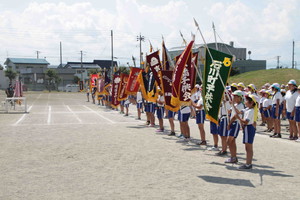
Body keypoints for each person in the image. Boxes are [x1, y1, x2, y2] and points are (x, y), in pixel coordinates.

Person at [234, 94, 258, 170]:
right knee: (247, 147)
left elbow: (246, 122)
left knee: (248, 147)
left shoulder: (251, 111)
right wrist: (232, 104)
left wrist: (239, 119)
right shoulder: (247, 109)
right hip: (247, 128)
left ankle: (248, 164)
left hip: (249, 128)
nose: (245, 102)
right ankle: (248, 163)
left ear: (251, 103)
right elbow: (239, 111)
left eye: (247, 101)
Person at [225, 90, 245, 163]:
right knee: (232, 142)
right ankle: (233, 157)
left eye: (235, 96)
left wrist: (229, 123)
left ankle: (232, 156)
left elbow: (236, 114)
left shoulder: (241, 105)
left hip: (235, 123)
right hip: (232, 123)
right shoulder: (236, 105)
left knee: (229, 140)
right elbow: (229, 111)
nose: (234, 98)